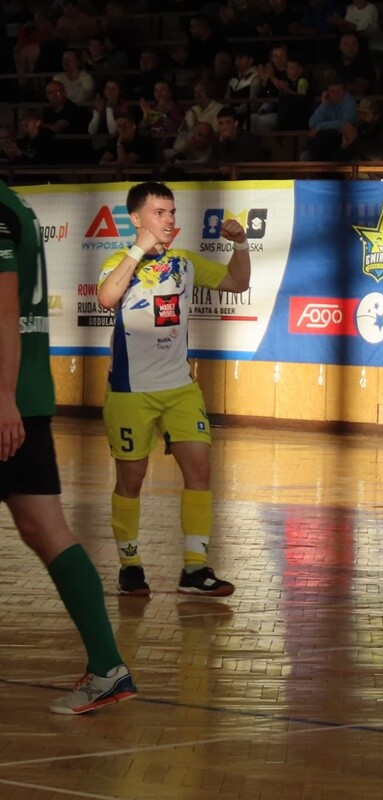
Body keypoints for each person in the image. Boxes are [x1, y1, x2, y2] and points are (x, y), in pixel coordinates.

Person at [0, 180, 138, 714]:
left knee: (47, 529)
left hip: (10, 398)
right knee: (44, 528)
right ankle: (108, 667)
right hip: (24, 395)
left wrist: (2, 397)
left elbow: (4, 309)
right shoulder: (15, 205)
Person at [96, 182, 248, 598]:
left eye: (172, 212)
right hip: (131, 393)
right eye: (160, 212)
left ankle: (195, 570)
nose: (169, 220)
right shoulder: (117, 261)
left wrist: (242, 244)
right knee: (131, 480)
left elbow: (237, 283)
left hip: (181, 388)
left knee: (199, 472)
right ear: (137, 219)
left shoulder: (184, 261)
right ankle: (130, 564)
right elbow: (107, 298)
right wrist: (137, 251)